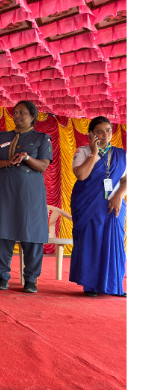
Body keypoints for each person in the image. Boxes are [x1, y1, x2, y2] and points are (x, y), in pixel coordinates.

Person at [0, 100, 53, 293]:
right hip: (5, 190)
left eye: (22, 112)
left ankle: (30, 279)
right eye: (15, 112)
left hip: (30, 193)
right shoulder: (2, 136)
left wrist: (26, 157)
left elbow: (43, 166)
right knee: (2, 230)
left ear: (32, 117)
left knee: (32, 233)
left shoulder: (42, 138)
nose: (17, 116)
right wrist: (8, 162)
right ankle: (2, 276)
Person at [69, 116, 127, 297]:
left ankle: (114, 286)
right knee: (91, 242)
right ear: (91, 135)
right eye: (100, 132)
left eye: (108, 130)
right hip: (88, 204)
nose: (105, 134)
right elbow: (81, 175)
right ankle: (91, 285)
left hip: (113, 204)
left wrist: (118, 196)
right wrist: (94, 153)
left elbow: (127, 180)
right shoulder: (83, 152)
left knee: (114, 243)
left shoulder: (121, 154)